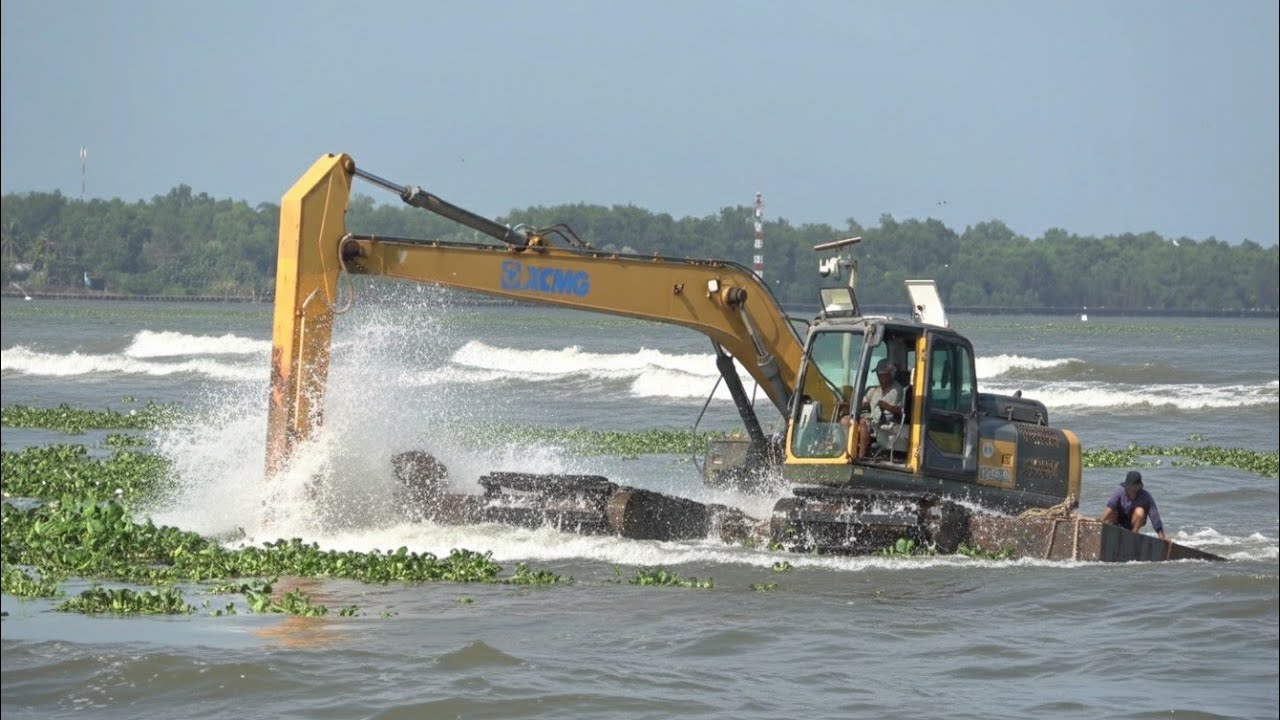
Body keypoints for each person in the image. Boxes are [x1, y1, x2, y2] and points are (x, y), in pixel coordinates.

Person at [843, 358, 904, 458]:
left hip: (886, 421)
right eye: (879, 375)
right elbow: (865, 403)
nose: (880, 378)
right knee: (845, 420)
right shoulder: (875, 390)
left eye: (883, 375)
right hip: (872, 418)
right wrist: (847, 406)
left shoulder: (897, 390)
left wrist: (887, 406)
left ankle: (861, 456)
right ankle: (845, 452)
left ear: (891, 374)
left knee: (863, 423)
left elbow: (900, 410)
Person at [1100, 470, 1167, 540]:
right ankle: (1111, 532)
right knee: (1111, 511)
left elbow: (1154, 516)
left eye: (1134, 487)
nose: (1132, 489)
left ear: (1139, 487)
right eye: (1130, 487)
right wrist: (1099, 522)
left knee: (1140, 511)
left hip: (1134, 523)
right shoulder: (1119, 491)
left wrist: (1161, 535)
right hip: (1118, 520)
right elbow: (1109, 507)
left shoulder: (1146, 497)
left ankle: (1133, 536)